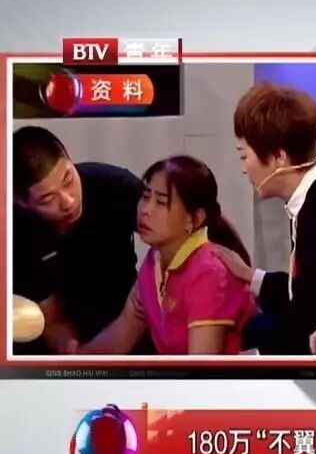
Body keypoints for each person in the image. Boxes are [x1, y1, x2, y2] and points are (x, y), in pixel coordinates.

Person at [76, 156, 257, 354]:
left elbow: (201, 368)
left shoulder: (209, 273)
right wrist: (72, 360)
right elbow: (118, 339)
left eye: (161, 202)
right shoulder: (154, 261)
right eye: (145, 197)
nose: (146, 210)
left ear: (194, 219)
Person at [13, 126, 150, 354]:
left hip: (127, 315)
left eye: (68, 179)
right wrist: (77, 355)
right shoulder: (17, 231)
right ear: (21, 202)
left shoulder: (113, 186)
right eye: (47, 199)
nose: (68, 201)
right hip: (56, 339)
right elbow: (52, 321)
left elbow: (185, 232)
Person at [219, 83, 316, 355]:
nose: (243, 169)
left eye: (244, 156)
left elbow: (311, 319)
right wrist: (251, 276)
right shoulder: (308, 202)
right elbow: (303, 293)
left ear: (279, 156)